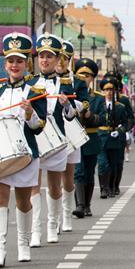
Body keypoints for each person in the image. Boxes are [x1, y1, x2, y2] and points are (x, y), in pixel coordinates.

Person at [0, 33, 48, 266]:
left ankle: (23, 244)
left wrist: (31, 113)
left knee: (23, 201)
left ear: (26, 64)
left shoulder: (35, 91)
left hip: (25, 153)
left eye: (20, 61)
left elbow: (39, 127)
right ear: (5, 64)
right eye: (11, 61)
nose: (15, 65)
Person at [28, 34, 76, 245]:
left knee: (55, 185)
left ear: (58, 60)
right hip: (35, 137)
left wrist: (66, 105)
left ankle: (52, 224)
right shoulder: (29, 83)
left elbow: (71, 116)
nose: (45, 60)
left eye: (50, 57)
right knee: (33, 185)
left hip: (56, 138)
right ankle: (36, 230)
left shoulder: (64, 84)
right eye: (42, 56)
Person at [55, 39, 89, 232]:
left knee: (68, 177)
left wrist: (69, 104)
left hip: (70, 129)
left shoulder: (77, 81)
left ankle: (66, 214)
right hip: (47, 130)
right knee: (49, 178)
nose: (60, 62)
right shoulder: (42, 80)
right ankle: (53, 219)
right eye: (57, 57)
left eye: (64, 58)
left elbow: (85, 103)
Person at [70, 58, 105, 218]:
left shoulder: (98, 97)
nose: (84, 78)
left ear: (92, 78)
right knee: (78, 171)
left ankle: (87, 205)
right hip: (75, 137)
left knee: (89, 172)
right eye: (81, 74)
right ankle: (79, 205)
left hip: (91, 138)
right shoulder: (71, 95)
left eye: (88, 75)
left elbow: (102, 119)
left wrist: (91, 116)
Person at [98, 76, 128, 198]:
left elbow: (126, 123)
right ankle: (103, 188)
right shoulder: (99, 105)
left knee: (113, 164)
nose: (109, 92)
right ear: (103, 91)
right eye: (107, 90)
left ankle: (111, 186)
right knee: (102, 163)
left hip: (114, 139)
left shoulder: (120, 107)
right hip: (101, 137)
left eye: (112, 90)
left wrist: (119, 131)